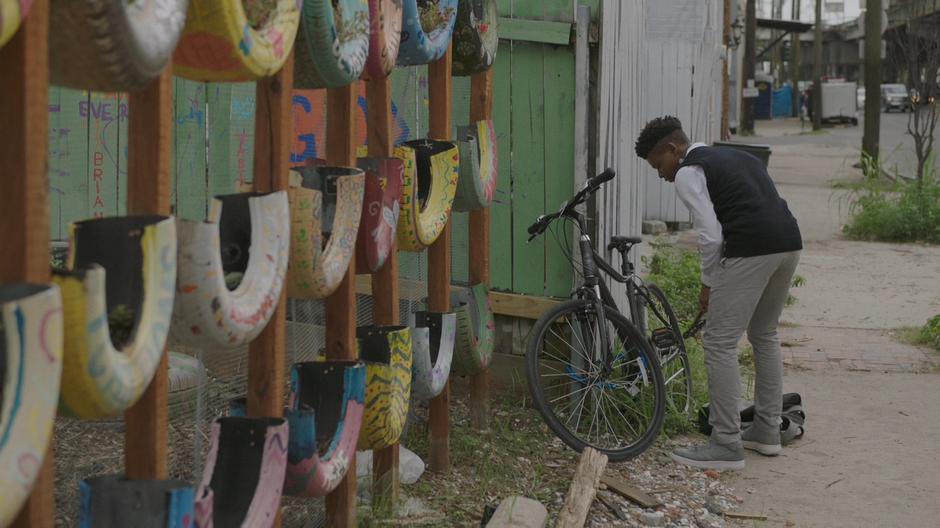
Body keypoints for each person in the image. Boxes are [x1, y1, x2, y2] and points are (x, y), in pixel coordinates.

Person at [634, 116, 802, 470]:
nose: (661, 174)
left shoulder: (688, 171)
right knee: (764, 334)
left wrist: (709, 282)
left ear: (672, 149)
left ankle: (726, 443)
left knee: (720, 343)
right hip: (788, 243)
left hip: (752, 248)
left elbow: (711, 235)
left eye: (658, 164)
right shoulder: (737, 157)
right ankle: (766, 432)